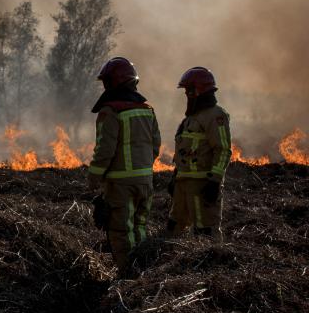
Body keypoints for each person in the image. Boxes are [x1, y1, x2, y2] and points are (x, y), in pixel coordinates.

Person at [87, 57, 161, 277]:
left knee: (120, 230)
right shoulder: (147, 110)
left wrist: (94, 177)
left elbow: (105, 150)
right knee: (139, 227)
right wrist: (143, 169)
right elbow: (155, 145)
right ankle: (146, 273)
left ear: (113, 83)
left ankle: (129, 278)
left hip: (120, 184)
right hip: (146, 182)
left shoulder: (111, 112)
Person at [167, 67, 231, 240]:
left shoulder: (215, 116)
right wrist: (175, 176)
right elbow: (184, 150)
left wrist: (214, 181)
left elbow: (223, 149)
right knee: (173, 227)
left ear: (201, 90)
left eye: (190, 90)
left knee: (205, 233)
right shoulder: (190, 118)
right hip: (183, 184)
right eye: (186, 90)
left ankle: (209, 266)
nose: (187, 94)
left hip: (202, 185)